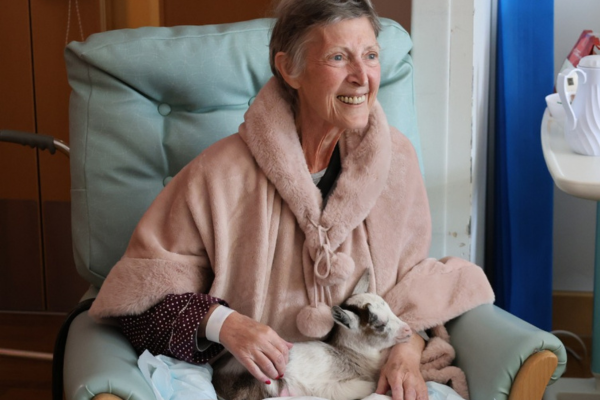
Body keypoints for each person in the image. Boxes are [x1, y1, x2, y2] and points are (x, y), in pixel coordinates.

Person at [89, 1, 494, 399]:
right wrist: (227, 324)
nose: (361, 76)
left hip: (365, 380)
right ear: (290, 69)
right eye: (339, 57)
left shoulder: (396, 160)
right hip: (255, 385)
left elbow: (410, 287)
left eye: (370, 55)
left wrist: (406, 350)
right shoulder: (218, 174)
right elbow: (140, 302)